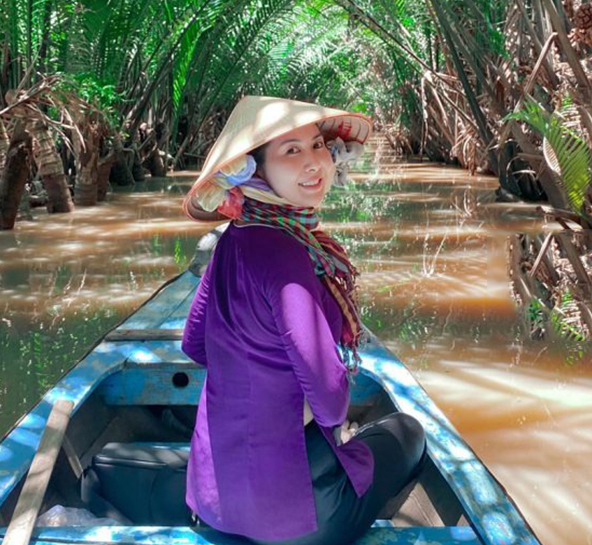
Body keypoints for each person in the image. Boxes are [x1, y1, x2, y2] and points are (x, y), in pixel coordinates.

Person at [180, 95, 426, 545]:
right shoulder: (290, 254)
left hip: (212, 501)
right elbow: (330, 402)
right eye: (291, 151)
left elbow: (194, 343)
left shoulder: (233, 239)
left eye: (317, 145)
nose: (315, 163)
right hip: (290, 521)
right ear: (254, 171)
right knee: (408, 431)